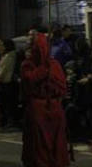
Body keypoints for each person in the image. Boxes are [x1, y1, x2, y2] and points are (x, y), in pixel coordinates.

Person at [21, 33, 69, 167]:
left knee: (48, 142)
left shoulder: (50, 65)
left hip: (47, 108)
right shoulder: (31, 65)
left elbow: (60, 87)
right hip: (43, 108)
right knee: (43, 143)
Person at [0, 39, 17, 129]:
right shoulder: (6, 56)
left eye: (2, 45)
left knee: (7, 104)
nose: (1, 47)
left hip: (7, 83)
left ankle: (8, 121)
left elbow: (2, 71)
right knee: (6, 104)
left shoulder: (9, 56)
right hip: (5, 82)